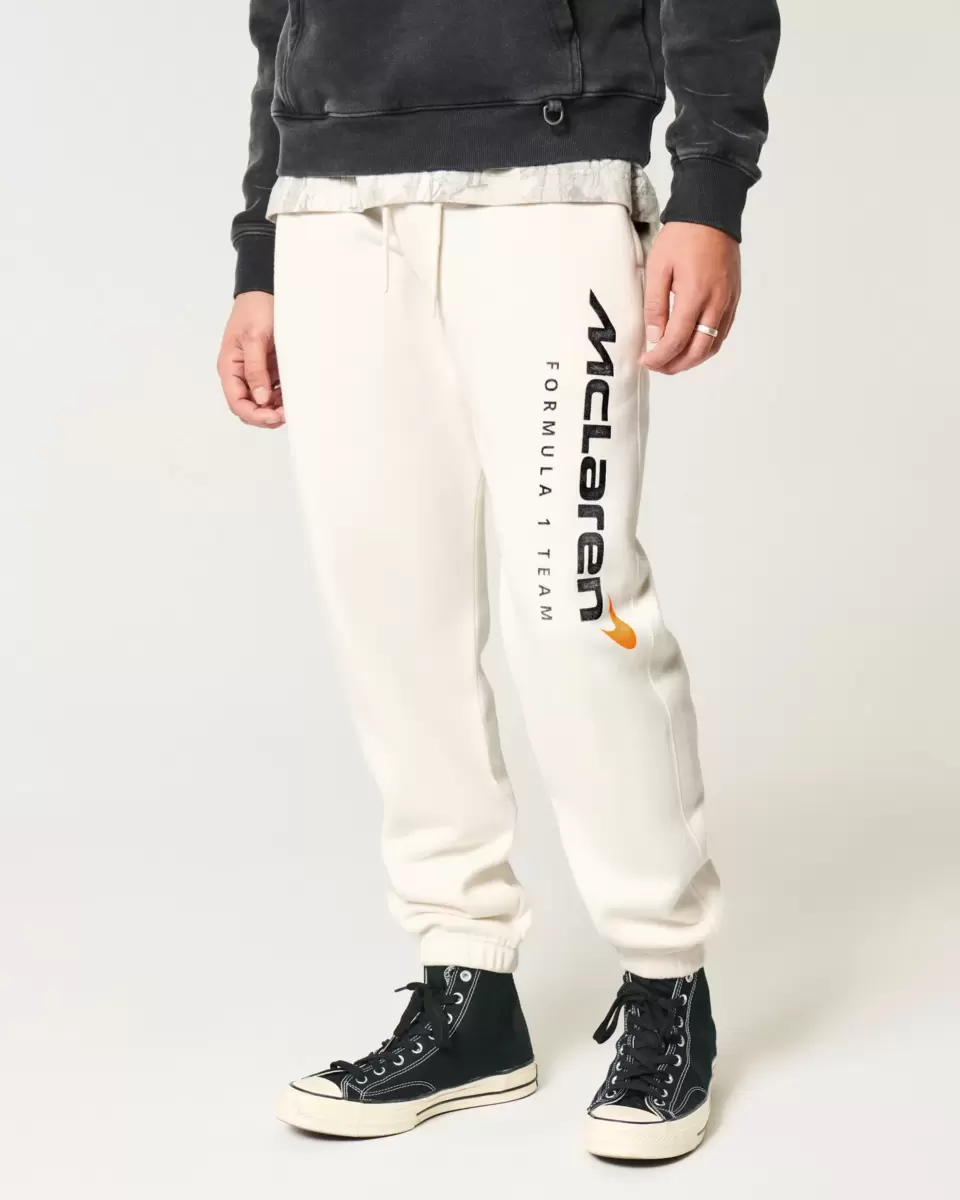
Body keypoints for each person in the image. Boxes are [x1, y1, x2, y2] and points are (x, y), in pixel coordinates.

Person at [217, 0, 779, 1161]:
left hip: (553, 181)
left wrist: (710, 183)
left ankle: (666, 981)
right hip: (330, 204)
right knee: (392, 617)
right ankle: (466, 986)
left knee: (577, 609)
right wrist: (260, 252)